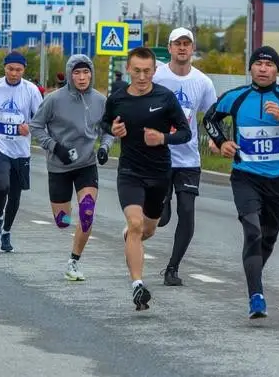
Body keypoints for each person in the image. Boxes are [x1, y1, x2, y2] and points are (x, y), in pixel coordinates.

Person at [202, 46, 279, 319]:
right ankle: (256, 296)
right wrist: (222, 142)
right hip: (246, 177)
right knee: (252, 232)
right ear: (251, 68)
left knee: (268, 237)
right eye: (258, 64)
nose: (263, 69)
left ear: (277, 70)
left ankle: (253, 277)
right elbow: (209, 119)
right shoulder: (236, 97)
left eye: (269, 65)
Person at [101, 46, 191, 311]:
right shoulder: (117, 98)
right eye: (137, 71)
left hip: (159, 174)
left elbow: (185, 133)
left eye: (147, 71)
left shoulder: (165, 97)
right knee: (135, 223)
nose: (142, 77)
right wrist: (113, 129)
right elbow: (104, 123)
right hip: (130, 172)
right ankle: (137, 285)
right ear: (128, 69)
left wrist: (163, 138)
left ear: (154, 70)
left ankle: (132, 238)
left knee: (148, 230)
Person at [29, 54, 114, 279]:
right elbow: (35, 126)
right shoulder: (54, 100)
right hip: (59, 166)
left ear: (91, 74)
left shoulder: (100, 100)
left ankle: (73, 262)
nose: (82, 77)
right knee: (62, 221)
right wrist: (55, 147)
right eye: (77, 73)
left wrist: (105, 147)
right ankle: (69, 220)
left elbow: (108, 130)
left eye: (86, 72)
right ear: (69, 75)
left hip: (86, 164)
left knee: (87, 212)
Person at [153, 27, 218, 286]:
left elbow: (212, 117)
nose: (182, 48)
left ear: (192, 49)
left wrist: (215, 139)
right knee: (161, 218)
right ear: (169, 48)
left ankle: (172, 268)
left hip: (189, 160)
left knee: (187, 211)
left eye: (186, 44)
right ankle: (137, 230)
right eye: (177, 43)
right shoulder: (157, 77)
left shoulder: (203, 82)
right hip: (159, 156)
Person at [0, 51, 42, 252]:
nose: (14, 73)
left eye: (18, 70)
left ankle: (6, 232)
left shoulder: (31, 90)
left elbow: (41, 116)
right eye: (10, 69)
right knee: (3, 185)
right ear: (5, 68)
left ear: (24, 70)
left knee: (15, 196)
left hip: (21, 150)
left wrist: (30, 127)